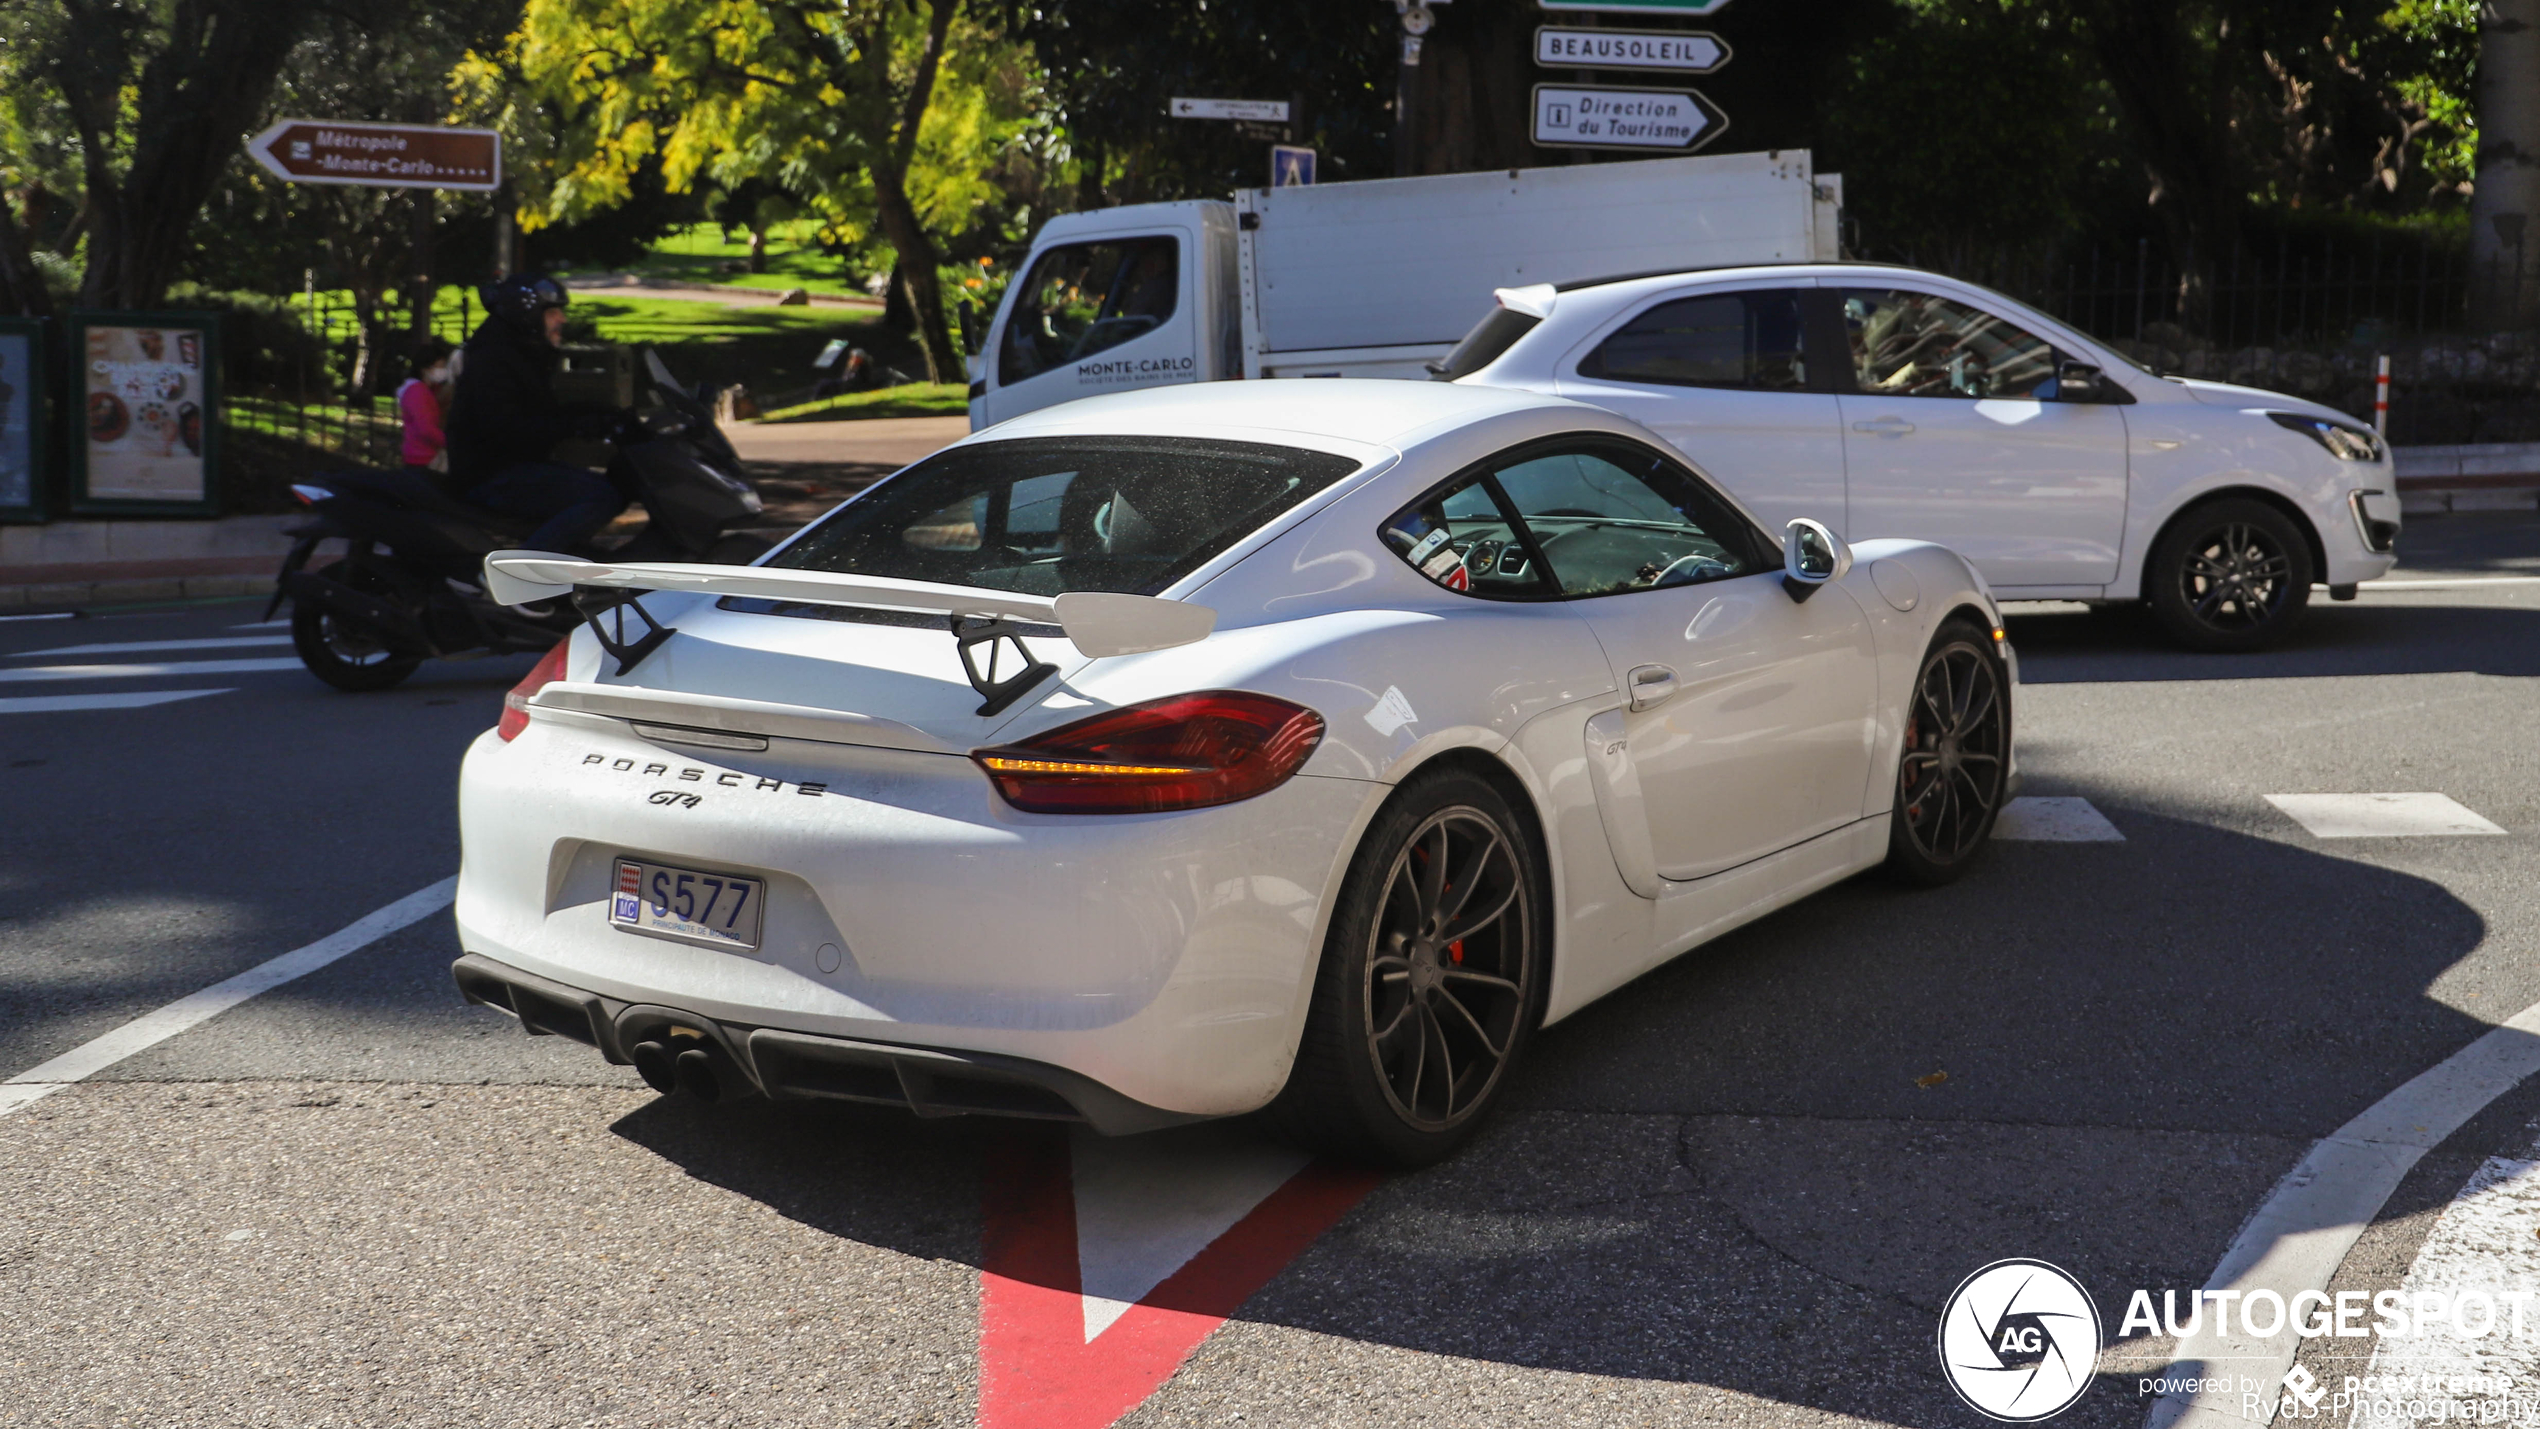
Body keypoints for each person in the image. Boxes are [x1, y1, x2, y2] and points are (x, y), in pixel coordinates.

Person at [446, 273, 632, 555]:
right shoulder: (495, 361)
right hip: (492, 476)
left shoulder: (517, 354)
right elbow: (508, 429)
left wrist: (605, 416)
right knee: (602, 497)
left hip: (507, 469)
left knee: (612, 485)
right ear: (528, 316)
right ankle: (523, 576)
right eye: (554, 312)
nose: (563, 320)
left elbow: (540, 413)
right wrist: (580, 425)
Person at [397, 338, 453, 478]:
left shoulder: (426, 390)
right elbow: (426, 429)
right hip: (423, 458)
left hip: (422, 456)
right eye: (441, 366)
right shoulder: (417, 392)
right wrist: (453, 443)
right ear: (425, 367)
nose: (444, 371)